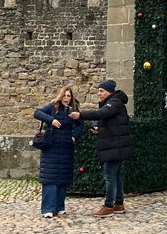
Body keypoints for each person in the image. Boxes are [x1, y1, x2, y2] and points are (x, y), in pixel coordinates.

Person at [71, 79, 131, 217]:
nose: (99, 93)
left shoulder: (114, 102)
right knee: (116, 175)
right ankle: (119, 204)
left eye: (101, 91)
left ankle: (108, 206)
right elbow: (109, 122)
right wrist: (99, 128)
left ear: (109, 91)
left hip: (116, 146)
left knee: (109, 176)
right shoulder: (113, 103)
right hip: (115, 145)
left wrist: (80, 115)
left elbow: (102, 114)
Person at [33, 85, 83, 218]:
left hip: (66, 147)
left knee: (63, 177)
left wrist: (74, 136)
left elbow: (80, 124)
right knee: (50, 177)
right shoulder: (52, 106)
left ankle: (60, 206)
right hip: (51, 147)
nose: (67, 98)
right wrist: (52, 120)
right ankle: (48, 208)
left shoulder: (73, 109)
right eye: (65, 95)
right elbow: (37, 113)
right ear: (61, 95)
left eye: (69, 96)